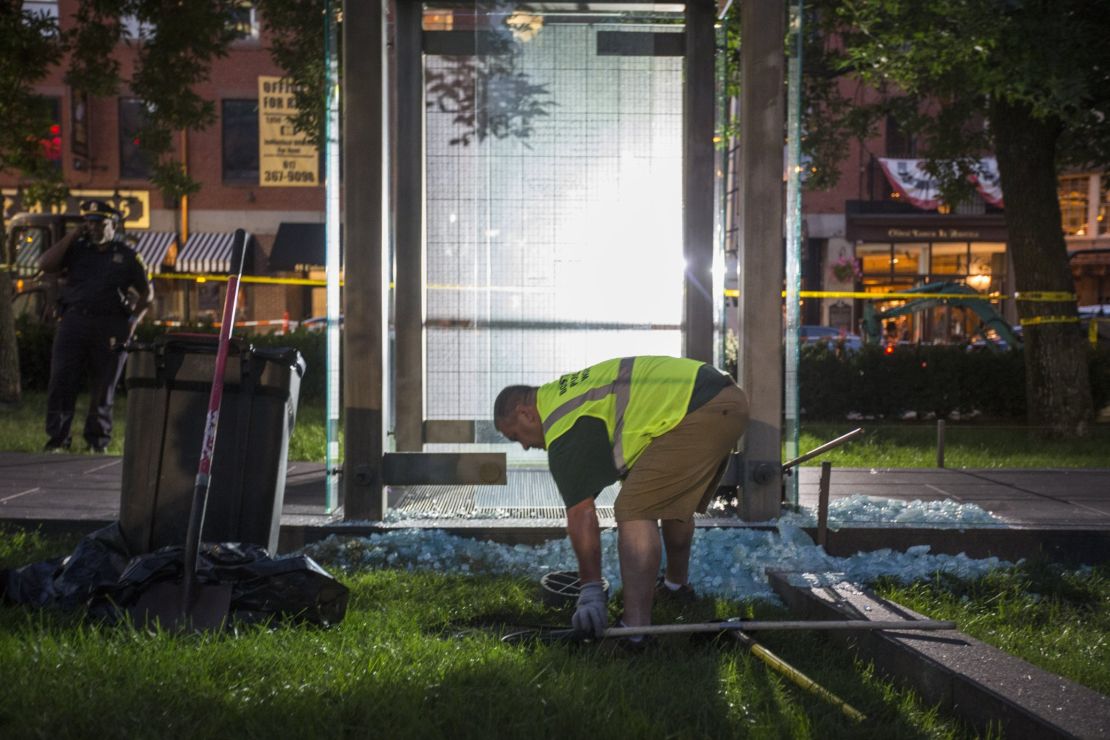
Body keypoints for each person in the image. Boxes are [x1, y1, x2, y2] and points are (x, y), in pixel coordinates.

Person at [494, 356, 748, 639]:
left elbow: (582, 515)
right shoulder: (568, 397)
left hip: (700, 408)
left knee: (633, 509)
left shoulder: (561, 425)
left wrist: (590, 590)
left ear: (525, 413)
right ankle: (676, 589)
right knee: (667, 503)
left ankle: (634, 634)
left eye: (517, 436)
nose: (526, 446)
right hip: (725, 399)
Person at [39, 200, 152, 453]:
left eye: (99, 223)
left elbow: (148, 294)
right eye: (89, 223)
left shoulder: (127, 255)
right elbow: (45, 264)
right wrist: (70, 237)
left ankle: (97, 441)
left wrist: (132, 322)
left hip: (110, 325)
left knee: (104, 386)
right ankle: (58, 439)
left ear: (113, 225)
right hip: (74, 321)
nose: (93, 228)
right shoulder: (77, 249)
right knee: (61, 381)